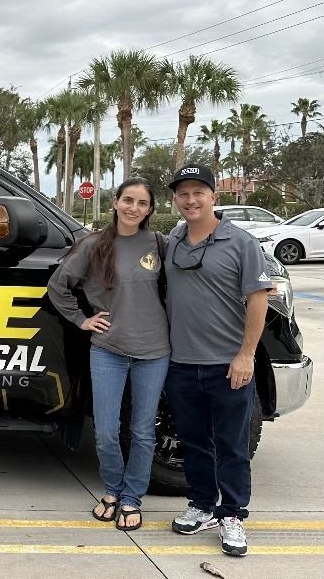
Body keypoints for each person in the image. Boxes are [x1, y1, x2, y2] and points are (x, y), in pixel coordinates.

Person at [48, 178, 169, 532]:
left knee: (143, 431)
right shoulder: (93, 245)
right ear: (115, 202)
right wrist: (82, 320)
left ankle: (132, 499)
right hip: (108, 350)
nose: (134, 208)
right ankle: (113, 491)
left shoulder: (159, 244)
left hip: (154, 351)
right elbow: (58, 287)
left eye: (142, 203)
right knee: (105, 431)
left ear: (150, 209)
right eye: (128, 200)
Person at [164, 165, 271, 557]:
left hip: (228, 365)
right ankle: (202, 504)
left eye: (199, 192)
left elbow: (258, 299)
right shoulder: (174, 239)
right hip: (181, 363)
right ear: (176, 200)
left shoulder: (241, 242)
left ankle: (233, 514)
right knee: (193, 442)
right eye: (183, 193)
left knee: (232, 445)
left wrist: (246, 355)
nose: (191, 200)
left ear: (214, 196)